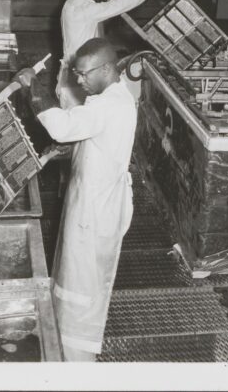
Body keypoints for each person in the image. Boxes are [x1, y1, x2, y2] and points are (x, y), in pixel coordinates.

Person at [14, 38, 137, 362]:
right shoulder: (110, 98)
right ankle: (65, 344)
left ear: (107, 69)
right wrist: (71, 151)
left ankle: (78, 362)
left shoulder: (108, 105)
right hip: (92, 201)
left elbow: (62, 126)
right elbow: (96, 139)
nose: (78, 81)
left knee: (83, 287)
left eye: (83, 75)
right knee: (72, 276)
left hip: (95, 212)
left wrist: (33, 87)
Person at [57, 0, 151, 108]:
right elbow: (117, 5)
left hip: (74, 74)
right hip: (78, 80)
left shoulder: (72, 1)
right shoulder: (83, 8)